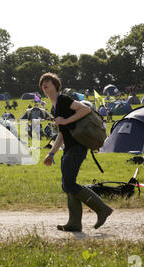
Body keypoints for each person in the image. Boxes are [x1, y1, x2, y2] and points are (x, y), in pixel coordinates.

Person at [40, 72, 112, 232]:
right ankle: (74, 223)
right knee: (67, 183)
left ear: (55, 85)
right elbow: (61, 134)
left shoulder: (63, 100)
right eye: (42, 82)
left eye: (48, 81)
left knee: (69, 184)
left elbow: (85, 109)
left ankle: (102, 209)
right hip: (69, 148)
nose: (45, 84)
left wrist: (65, 120)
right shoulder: (54, 106)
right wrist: (51, 154)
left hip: (77, 147)